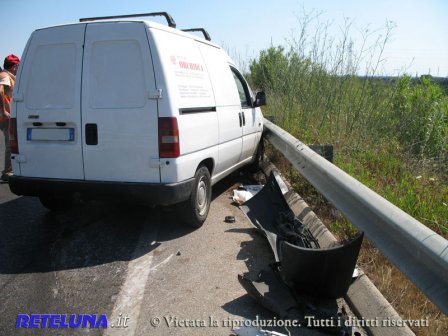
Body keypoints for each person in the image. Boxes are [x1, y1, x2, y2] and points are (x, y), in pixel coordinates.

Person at [0, 54, 20, 181]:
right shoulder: (5, 76)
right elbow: (0, 90)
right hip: (5, 117)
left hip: (5, 116)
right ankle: (7, 171)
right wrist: (3, 111)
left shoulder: (8, 76)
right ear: (14, 66)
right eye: (17, 66)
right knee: (10, 143)